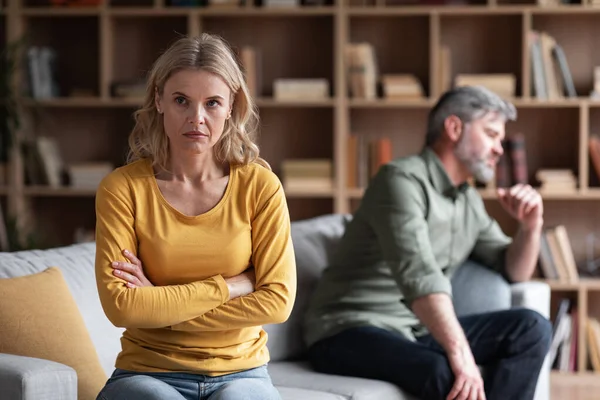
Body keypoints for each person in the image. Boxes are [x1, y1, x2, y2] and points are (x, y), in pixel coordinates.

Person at [303, 86, 552, 400]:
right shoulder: (400, 181)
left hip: (412, 331)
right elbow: (419, 274)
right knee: (445, 373)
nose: (499, 149)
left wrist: (530, 227)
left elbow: (514, 271)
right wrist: (461, 355)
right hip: (347, 330)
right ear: (454, 128)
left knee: (531, 328)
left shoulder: (468, 201)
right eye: (490, 134)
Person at [94, 33, 296, 400]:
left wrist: (159, 304)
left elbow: (277, 301)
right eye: (182, 101)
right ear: (159, 100)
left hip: (243, 373)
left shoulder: (260, 187)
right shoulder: (122, 189)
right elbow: (122, 307)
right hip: (147, 374)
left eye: (213, 103)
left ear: (232, 106)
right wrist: (232, 285)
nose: (197, 119)